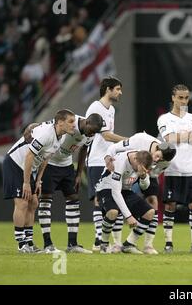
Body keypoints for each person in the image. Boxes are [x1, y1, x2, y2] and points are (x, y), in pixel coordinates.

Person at [24, 113, 103, 253]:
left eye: (94, 133)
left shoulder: (90, 133)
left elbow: (84, 149)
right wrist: (30, 127)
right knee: (46, 201)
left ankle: (72, 244)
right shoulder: (70, 121)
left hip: (66, 165)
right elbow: (46, 126)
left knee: (73, 200)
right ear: (87, 122)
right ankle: (48, 244)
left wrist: (78, 173)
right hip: (49, 163)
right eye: (91, 131)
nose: (91, 134)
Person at [3, 109, 76, 252]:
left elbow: (45, 158)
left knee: (34, 202)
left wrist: (38, 180)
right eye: (71, 121)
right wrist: (25, 183)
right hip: (15, 163)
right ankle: (21, 243)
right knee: (22, 202)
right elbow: (29, 155)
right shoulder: (46, 134)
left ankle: (29, 242)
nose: (74, 125)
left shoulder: (60, 137)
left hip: (28, 168)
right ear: (60, 122)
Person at [104, 132, 176, 254]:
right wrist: (107, 158)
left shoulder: (166, 162)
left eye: (160, 159)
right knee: (118, 201)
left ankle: (146, 244)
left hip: (144, 173)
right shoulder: (140, 139)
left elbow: (153, 174)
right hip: (124, 170)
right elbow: (113, 147)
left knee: (153, 202)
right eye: (157, 155)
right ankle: (115, 243)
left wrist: (143, 175)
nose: (156, 160)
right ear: (157, 147)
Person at [157, 84, 192, 253]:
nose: (184, 101)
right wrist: (189, 136)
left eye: (186, 98)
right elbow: (168, 140)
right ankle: (168, 244)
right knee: (170, 205)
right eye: (180, 97)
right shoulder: (164, 118)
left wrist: (180, 136)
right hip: (174, 168)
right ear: (173, 98)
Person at [85, 76, 128, 252]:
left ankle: (107, 241)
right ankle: (98, 241)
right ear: (108, 89)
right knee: (98, 199)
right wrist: (128, 141)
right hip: (96, 159)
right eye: (117, 89)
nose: (120, 92)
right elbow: (106, 135)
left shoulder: (110, 109)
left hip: (107, 159)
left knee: (109, 199)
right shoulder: (96, 107)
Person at [95, 150, 155, 254]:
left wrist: (143, 176)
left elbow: (145, 187)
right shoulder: (120, 162)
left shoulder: (142, 161)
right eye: (140, 166)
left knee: (149, 213)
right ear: (135, 159)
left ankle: (129, 244)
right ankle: (103, 244)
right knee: (113, 212)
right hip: (107, 188)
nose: (139, 169)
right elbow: (116, 192)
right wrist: (129, 216)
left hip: (125, 189)